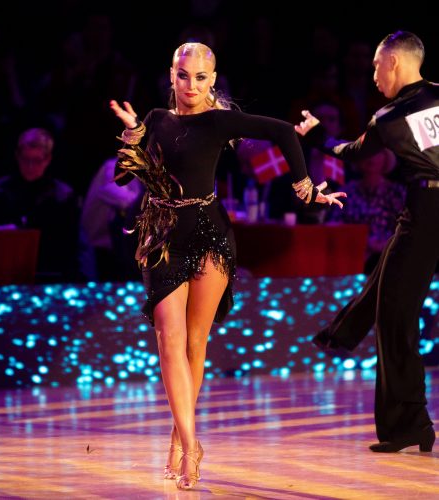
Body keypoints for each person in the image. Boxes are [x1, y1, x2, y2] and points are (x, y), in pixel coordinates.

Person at [110, 42, 346, 490]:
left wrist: (306, 186)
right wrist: (131, 137)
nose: (191, 85)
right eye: (184, 75)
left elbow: (282, 132)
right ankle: (191, 442)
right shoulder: (156, 120)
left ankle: (179, 438)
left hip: (209, 232)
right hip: (161, 233)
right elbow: (126, 176)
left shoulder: (220, 120)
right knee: (168, 338)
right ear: (172, 76)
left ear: (213, 79)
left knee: (195, 343)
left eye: (201, 77)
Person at [295, 30, 438, 453]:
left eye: (376, 66)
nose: (374, 75)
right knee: (389, 297)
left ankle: (409, 423)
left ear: (393, 61)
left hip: (426, 211)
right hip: (423, 212)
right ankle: (342, 334)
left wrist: (317, 136)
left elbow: (352, 152)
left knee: (394, 317)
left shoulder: (388, 117)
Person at [0, 128, 81, 283]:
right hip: (3, 271)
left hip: (48, 272)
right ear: (17, 156)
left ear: (48, 159)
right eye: (25, 160)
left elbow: (69, 246)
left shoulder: (63, 196)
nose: (30, 166)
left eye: (36, 161)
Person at [326, 148, 406, 274]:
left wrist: (382, 246)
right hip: (350, 256)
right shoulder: (347, 191)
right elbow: (333, 224)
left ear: (385, 159)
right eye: (366, 154)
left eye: (376, 154)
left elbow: (406, 230)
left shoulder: (397, 193)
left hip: (387, 257)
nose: (371, 159)